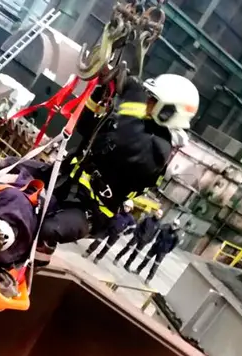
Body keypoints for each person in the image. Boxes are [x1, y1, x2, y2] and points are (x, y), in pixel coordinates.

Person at [50, 73, 199, 250]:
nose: (146, 102)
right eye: (147, 97)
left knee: (46, 228)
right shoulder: (134, 127)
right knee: (19, 175)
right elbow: (85, 128)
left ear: (168, 112)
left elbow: (126, 140)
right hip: (68, 183)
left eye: (152, 100)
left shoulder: (158, 150)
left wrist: (133, 92)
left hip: (90, 211)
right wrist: (101, 92)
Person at [83, 199, 135, 264]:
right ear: (123, 205)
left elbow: (133, 227)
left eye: (129, 207)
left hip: (116, 234)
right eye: (126, 206)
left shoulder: (130, 218)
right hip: (107, 229)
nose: (127, 208)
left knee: (107, 247)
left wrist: (124, 233)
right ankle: (88, 252)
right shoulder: (117, 210)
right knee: (98, 240)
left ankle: (98, 258)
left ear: (131, 209)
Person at [134, 220, 181, 284]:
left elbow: (173, 246)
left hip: (162, 252)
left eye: (176, 225)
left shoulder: (176, 236)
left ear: (178, 226)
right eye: (174, 223)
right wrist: (157, 242)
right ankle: (138, 270)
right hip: (155, 248)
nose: (174, 226)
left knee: (155, 265)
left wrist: (166, 250)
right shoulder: (165, 229)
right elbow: (158, 237)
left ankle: (148, 279)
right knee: (146, 259)